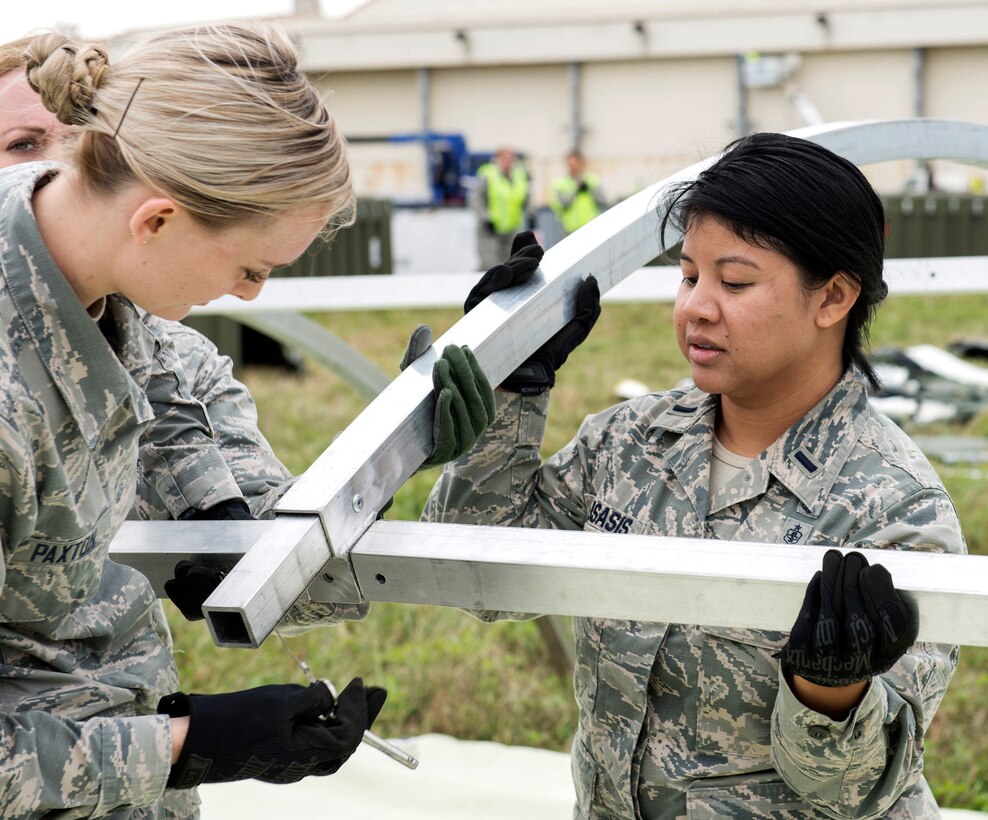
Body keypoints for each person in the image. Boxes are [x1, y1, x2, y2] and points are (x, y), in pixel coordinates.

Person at [423, 133, 965, 818]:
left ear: (832, 298)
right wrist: (510, 398)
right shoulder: (630, 443)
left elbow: (854, 792)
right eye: (688, 275)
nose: (696, 307)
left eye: (734, 282)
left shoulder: (893, 512)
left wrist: (830, 693)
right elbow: (482, 581)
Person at [0, 22, 396, 817]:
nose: (251, 297)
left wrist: (222, 517)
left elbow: (172, 402)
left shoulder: (84, 259)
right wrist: (191, 744)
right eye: (250, 267)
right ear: (156, 220)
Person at [470, 146, 531, 269]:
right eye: (505, 159)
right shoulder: (488, 174)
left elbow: (525, 198)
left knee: (509, 264)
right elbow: (476, 199)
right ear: (497, 159)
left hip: (511, 230)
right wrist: (485, 218)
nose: (509, 162)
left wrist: (530, 215)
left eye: (511, 159)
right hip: (490, 230)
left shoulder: (519, 176)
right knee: (490, 265)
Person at [549, 149, 607, 236]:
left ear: (581, 164)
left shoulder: (592, 180)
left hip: (591, 228)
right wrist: (575, 189)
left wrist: (590, 189)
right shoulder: (560, 183)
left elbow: (602, 201)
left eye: (575, 164)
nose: (573, 167)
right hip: (569, 230)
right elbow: (562, 205)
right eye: (570, 164)